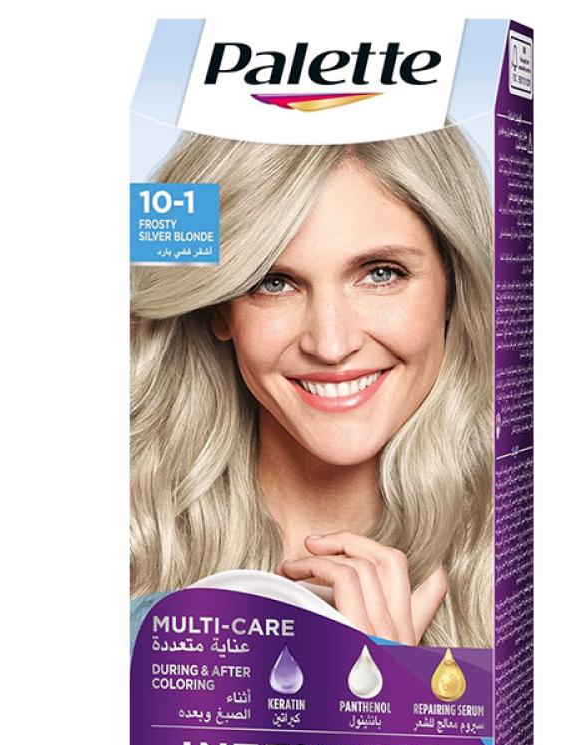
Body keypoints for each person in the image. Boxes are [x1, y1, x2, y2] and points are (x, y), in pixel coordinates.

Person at [131, 127, 493, 646]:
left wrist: (389, 682)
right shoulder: (131, 537)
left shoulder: (517, 556)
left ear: (453, 287)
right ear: (218, 306)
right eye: (273, 283)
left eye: (381, 273)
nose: (330, 344)